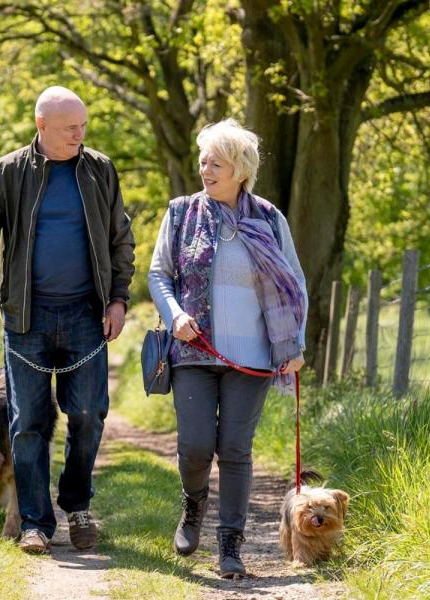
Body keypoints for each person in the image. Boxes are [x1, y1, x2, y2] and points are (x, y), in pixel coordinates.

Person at [0, 86, 135, 554]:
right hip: (27, 317)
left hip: (86, 314)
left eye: (83, 126)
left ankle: (77, 504)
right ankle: (36, 523)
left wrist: (118, 299)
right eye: (69, 128)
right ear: (41, 126)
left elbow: (121, 238)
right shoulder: (8, 171)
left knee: (87, 412)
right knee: (28, 422)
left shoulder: (99, 169)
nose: (79, 134)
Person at [147, 118, 307, 578]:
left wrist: (293, 344)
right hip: (195, 351)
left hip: (254, 357)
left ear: (240, 169)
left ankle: (230, 547)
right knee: (196, 446)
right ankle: (193, 504)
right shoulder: (180, 213)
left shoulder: (269, 218)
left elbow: (294, 283)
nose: (206, 170)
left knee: (235, 448)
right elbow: (159, 274)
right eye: (202, 162)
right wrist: (174, 313)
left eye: (216, 163)